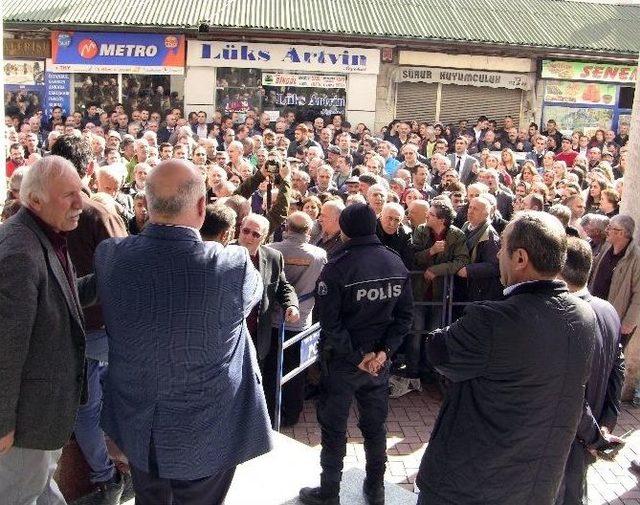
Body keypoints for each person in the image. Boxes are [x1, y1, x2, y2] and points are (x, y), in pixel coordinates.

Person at [93, 159, 272, 504]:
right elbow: (251, 302)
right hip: (209, 431)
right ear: (203, 206)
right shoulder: (233, 265)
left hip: (138, 426)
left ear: (144, 206)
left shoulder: (110, 256)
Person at [416, 211, 596, 505]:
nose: (498, 252)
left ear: (521, 259)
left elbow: (437, 349)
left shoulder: (492, 319)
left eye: (502, 245)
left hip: (467, 486)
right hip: (534, 487)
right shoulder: (584, 315)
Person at [299, 203, 413, 505]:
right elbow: (405, 318)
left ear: (346, 229)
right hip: (377, 363)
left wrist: (358, 356)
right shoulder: (394, 262)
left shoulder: (338, 266)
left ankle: (329, 493)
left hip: (344, 364)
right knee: (375, 429)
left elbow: (329, 322)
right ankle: (375, 490)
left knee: (334, 429)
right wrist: (382, 353)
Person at [0, 156, 95, 504]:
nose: (79, 203)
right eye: (68, 195)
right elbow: (5, 348)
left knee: (41, 492)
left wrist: (108, 279)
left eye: (80, 192)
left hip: (42, 420)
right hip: (24, 427)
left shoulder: (45, 233)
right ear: (35, 200)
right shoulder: (19, 253)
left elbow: (60, 301)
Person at [556, 238, 624, 505]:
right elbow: (617, 371)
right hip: (591, 429)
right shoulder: (607, 309)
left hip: (569, 435)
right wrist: (606, 423)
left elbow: (571, 390)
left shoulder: (565, 317)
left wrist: (595, 436)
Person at [266, 212, 327, 426]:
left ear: (287, 228)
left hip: (274, 318)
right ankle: (291, 413)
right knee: (296, 371)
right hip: (302, 320)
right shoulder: (319, 254)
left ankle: (270, 411)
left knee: (272, 367)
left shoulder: (272, 250)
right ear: (308, 231)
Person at [237, 213, 300, 369]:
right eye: (246, 231)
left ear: (264, 237)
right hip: (229, 336)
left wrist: (291, 305)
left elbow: (283, 286)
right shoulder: (224, 253)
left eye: (255, 234)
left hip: (258, 337)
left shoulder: (273, 257)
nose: (249, 237)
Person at [589, 214, 640, 349]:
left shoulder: (636, 258)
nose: (606, 230)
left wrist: (629, 322)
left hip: (616, 319)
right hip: (595, 311)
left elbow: (638, 294)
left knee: (610, 358)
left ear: (621, 233)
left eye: (610, 228)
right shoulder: (607, 246)